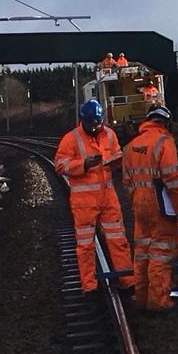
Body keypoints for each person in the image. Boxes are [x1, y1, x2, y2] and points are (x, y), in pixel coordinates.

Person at [54, 100, 134, 294]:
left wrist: (116, 162)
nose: (95, 128)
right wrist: (84, 164)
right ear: (84, 121)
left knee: (118, 239)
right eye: (91, 125)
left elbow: (116, 154)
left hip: (108, 198)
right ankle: (89, 286)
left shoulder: (109, 134)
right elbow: (60, 165)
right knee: (85, 245)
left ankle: (127, 280)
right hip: (84, 203)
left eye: (97, 124)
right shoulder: (71, 139)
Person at [122, 104, 178, 311]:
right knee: (160, 252)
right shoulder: (164, 142)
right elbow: (173, 182)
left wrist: (137, 200)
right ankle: (158, 301)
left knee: (142, 252)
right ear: (166, 122)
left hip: (139, 204)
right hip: (160, 204)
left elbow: (126, 181)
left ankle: (141, 298)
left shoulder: (131, 146)